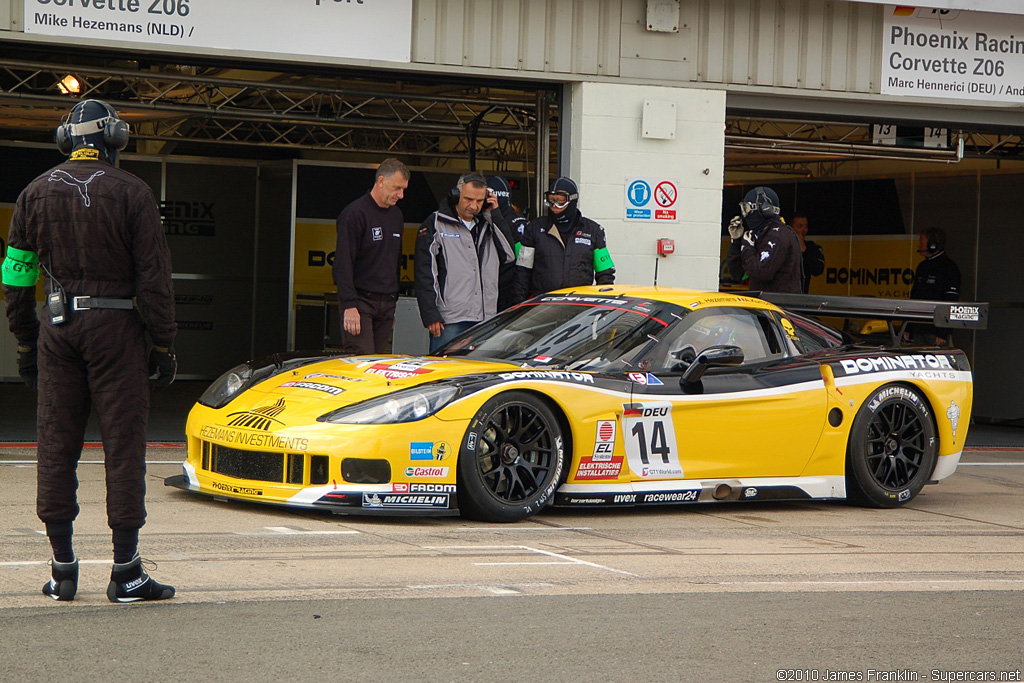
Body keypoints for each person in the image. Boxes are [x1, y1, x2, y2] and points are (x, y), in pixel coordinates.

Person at [1, 99, 177, 602]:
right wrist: (163, 341)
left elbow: (15, 278)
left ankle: (62, 571)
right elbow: (155, 277)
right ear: (114, 140)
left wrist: (27, 343)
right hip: (117, 330)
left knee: (55, 447)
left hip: (59, 331)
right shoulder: (134, 192)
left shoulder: (33, 193)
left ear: (66, 140)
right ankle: (126, 571)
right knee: (124, 448)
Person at [415, 172, 515, 352]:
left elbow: (509, 255)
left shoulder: (488, 224)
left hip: (485, 318)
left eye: (479, 201)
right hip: (450, 318)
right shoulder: (436, 223)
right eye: (468, 199)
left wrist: (495, 215)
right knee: (443, 373)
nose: (473, 206)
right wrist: (430, 314)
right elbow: (425, 272)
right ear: (455, 195)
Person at [332, 158, 410, 354]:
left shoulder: (397, 215)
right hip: (360, 301)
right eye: (397, 188)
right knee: (362, 361)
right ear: (381, 181)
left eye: (403, 190)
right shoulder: (355, 214)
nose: (400, 195)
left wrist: (392, 304)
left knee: (378, 364)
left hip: (387, 302)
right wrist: (349, 305)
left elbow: (394, 261)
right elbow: (343, 263)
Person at [513, 177, 615, 303]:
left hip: (578, 307)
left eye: (560, 201)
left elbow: (605, 274)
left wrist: (601, 307)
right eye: (550, 200)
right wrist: (519, 305)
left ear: (572, 200)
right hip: (543, 306)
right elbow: (523, 271)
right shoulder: (535, 228)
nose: (554, 206)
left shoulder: (593, 231)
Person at [725, 186, 802, 293]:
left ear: (764, 209)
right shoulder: (760, 236)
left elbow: (762, 273)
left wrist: (748, 247)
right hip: (764, 306)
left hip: (779, 306)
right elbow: (738, 275)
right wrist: (736, 241)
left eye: (746, 209)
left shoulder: (778, 236)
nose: (744, 214)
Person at [904, 227, 961, 346]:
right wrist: (908, 327)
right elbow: (914, 299)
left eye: (921, 243)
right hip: (919, 329)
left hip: (936, 332)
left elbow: (950, 302)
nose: (919, 246)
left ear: (933, 245)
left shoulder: (949, 268)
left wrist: (943, 332)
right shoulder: (922, 267)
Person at [487, 175, 527, 311]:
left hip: (509, 293)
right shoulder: (484, 218)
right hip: (489, 291)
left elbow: (522, 263)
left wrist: (518, 297)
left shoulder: (518, 223)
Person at [791, 214, 825, 293]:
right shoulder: (782, 247)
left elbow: (817, 270)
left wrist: (803, 249)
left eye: (805, 226)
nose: (804, 230)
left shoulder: (812, 247)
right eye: (800, 226)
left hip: (802, 298)